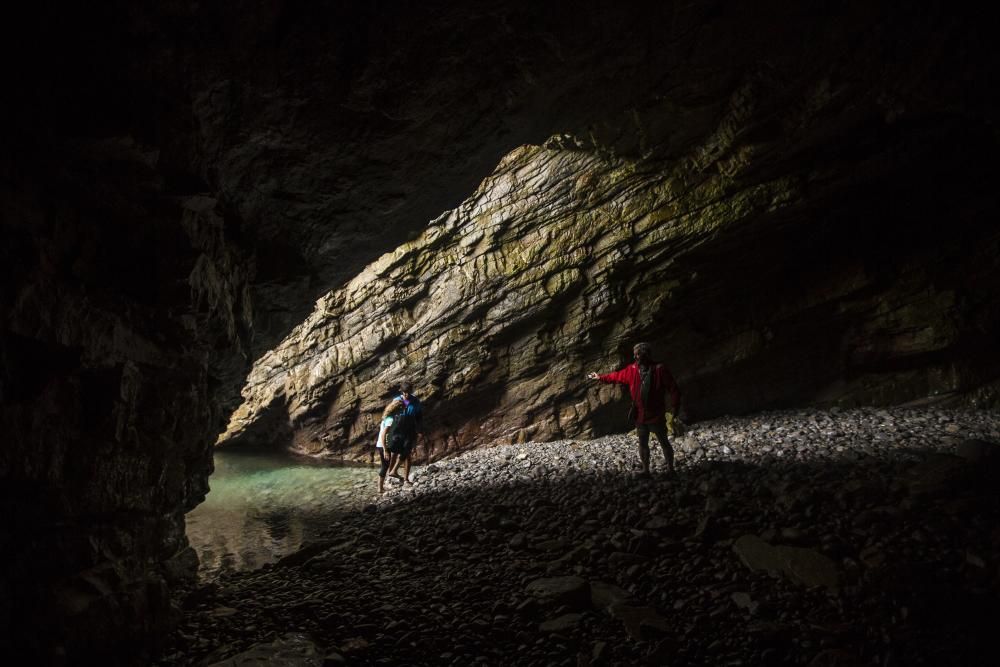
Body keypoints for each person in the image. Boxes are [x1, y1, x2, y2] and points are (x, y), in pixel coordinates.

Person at [587, 342, 682, 477]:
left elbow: (674, 390)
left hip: (656, 414)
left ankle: (671, 470)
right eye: (636, 354)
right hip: (640, 415)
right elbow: (616, 376)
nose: (636, 356)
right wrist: (600, 377)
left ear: (647, 354)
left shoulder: (660, 369)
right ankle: (645, 470)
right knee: (643, 443)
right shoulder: (632, 370)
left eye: (639, 354)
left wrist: (675, 408)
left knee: (664, 442)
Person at [383, 381, 424, 485]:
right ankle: (390, 476)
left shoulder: (415, 401)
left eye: (408, 392)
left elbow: (419, 417)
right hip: (397, 428)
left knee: (407, 453)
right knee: (394, 453)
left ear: (411, 391)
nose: (406, 394)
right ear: (401, 391)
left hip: (410, 428)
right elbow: (389, 413)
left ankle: (405, 479)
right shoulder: (397, 400)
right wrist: (387, 427)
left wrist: (419, 430)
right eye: (405, 392)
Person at [375, 412, 395, 494]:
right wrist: (385, 450)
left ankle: (380, 487)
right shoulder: (390, 419)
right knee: (385, 465)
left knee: (385, 465)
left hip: (383, 445)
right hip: (384, 445)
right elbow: (383, 434)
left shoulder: (387, 418)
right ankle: (380, 488)